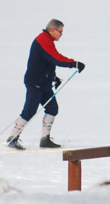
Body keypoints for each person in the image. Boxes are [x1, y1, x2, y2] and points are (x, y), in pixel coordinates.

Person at [6, 19, 85, 150]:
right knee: (29, 110)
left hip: (44, 83)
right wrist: (74, 63)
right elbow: (56, 58)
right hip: (35, 82)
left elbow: (48, 62)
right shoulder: (42, 40)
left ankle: (45, 140)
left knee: (53, 108)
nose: (61, 34)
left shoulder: (48, 41)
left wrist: (54, 77)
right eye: (60, 31)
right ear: (52, 30)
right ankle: (12, 138)